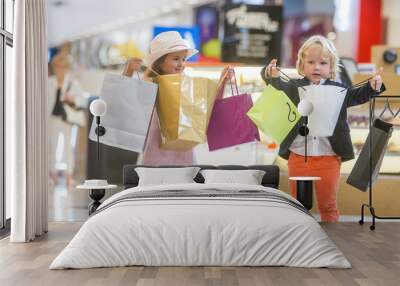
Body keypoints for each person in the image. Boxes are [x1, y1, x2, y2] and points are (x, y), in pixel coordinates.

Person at [261, 35, 385, 222]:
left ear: (331, 67)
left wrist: (374, 86)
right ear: (302, 65)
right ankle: (301, 242)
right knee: (297, 206)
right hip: (298, 156)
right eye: (310, 62)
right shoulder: (294, 87)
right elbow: (277, 84)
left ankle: (330, 243)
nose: (316, 67)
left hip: (329, 157)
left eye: (323, 63)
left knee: (328, 205)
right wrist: (270, 73)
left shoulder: (339, 89)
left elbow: (358, 95)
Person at [123, 31, 231, 165]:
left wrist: (222, 81)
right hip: (155, 158)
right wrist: (128, 72)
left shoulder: (188, 85)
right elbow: (124, 102)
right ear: (160, 62)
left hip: (184, 157)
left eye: (184, 59)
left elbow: (208, 110)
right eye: (176, 59)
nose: (181, 64)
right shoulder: (148, 84)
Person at [48, 44, 88, 189]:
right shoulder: (49, 82)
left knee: (67, 147)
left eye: (62, 66)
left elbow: (82, 100)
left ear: (66, 68)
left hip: (66, 119)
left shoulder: (72, 83)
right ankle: (52, 174)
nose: (59, 69)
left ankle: (69, 176)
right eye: (57, 66)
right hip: (51, 119)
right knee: (51, 146)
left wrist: (73, 99)